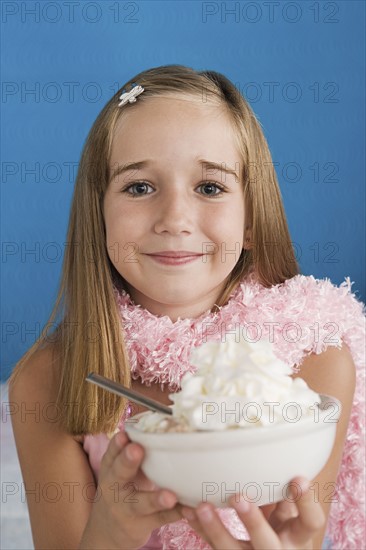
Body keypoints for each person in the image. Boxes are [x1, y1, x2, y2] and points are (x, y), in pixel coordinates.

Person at [8, 64, 365, 550]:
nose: (175, 219)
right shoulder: (50, 379)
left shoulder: (314, 363)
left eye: (210, 187)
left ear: (251, 219)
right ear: (99, 216)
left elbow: (300, 528)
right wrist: (109, 533)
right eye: (139, 187)